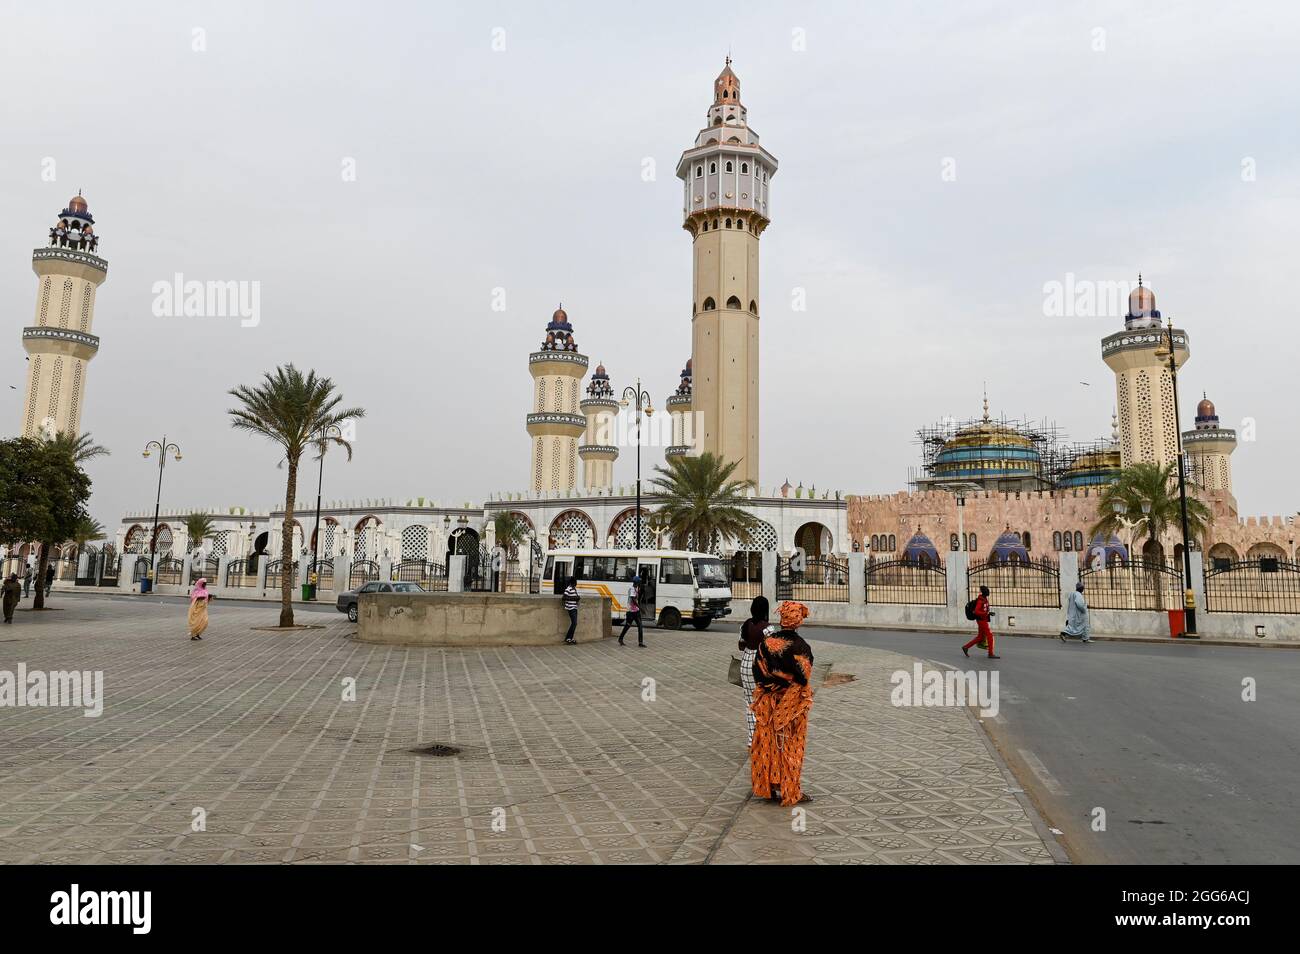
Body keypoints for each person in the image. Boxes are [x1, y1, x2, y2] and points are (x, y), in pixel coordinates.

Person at [750, 600, 816, 806]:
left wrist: (771, 686)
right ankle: (791, 790)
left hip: (767, 703)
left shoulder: (766, 643)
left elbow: (757, 672)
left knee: (768, 744)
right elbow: (802, 679)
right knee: (791, 747)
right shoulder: (802, 647)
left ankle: (769, 786)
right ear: (798, 621)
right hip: (791, 705)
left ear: (782, 619)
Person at [738, 595, 772, 747]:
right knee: (763, 702)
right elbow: (771, 650)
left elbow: (740, 645)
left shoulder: (745, 625)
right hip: (760, 666)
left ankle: (752, 739)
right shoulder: (768, 628)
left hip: (745, 664)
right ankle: (763, 736)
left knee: (749, 702)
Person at [962, 585, 1000, 659]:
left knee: (980, 637)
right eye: (987, 591)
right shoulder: (980, 600)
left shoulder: (984, 599)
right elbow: (976, 611)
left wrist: (989, 613)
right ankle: (990, 653)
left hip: (983, 620)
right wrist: (986, 614)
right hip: (981, 620)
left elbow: (984, 610)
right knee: (989, 636)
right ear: (984, 592)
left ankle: (966, 647)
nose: (988, 592)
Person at [618, 574, 645, 647]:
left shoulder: (636, 588)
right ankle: (620, 638)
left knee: (640, 626)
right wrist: (641, 608)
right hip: (631, 611)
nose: (640, 582)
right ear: (636, 582)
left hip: (636, 611)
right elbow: (633, 600)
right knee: (627, 626)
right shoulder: (632, 589)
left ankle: (640, 642)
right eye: (639, 581)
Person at [562, 576, 579, 644]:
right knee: (574, 623)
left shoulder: (574, 589)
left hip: (574, 607)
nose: (576, 583)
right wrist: (574, 598)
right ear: (573, 582)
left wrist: (577, 598)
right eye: (575, 582)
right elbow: (564, 598)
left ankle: (570, 638)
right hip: (571, 608)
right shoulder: (568, 589)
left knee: (574, 623)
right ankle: (568, 638)